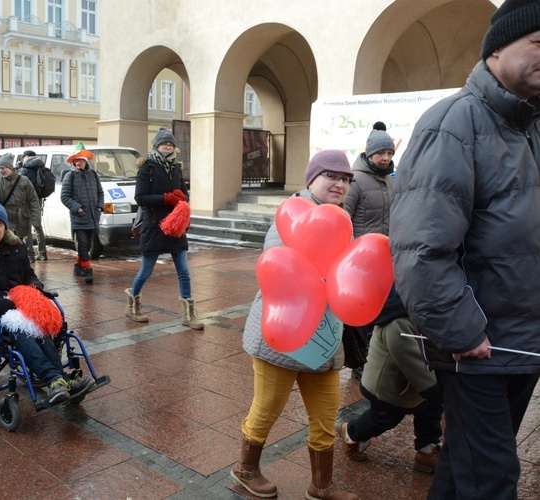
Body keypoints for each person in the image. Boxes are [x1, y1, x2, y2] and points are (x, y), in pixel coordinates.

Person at [389, 2, 540, 497]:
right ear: (498, 47)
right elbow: (420, 249)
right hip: (478, 347)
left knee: (463, 468)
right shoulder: (454, 122)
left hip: (521, 342)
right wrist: (461, 330)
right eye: (539, 42)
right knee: (493, 479)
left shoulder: (530, 127)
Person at [231, 150, 358, 500]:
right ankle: (246, 468)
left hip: (325, 337)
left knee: (326, 413)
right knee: (267, 408)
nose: (340, 183)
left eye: (346, 179)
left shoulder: (343, 221)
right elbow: (275, 268)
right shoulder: (291, 215)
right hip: (282, 337)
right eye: (332, 175)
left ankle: (321, 486)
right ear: (312, 179)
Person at [0, 197, 95, 404]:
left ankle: (60, 380)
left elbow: (28, 275)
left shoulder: (16, 247)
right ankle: (54, 379)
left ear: (5, 226)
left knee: (41, 324)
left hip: (18, 304)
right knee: (21, 329)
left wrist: (34, 288)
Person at [336, 289, 443, 473]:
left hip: (414, 382)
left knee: (431, 410)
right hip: (388, 385)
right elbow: (409, 357)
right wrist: (434, 388)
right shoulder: (398, 320)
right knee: (384, 418)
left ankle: (427, 450)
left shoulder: (428, 312)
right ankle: (352, 431)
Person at [124, 129, 203, 329]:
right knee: (146, 270)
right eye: (164, 144)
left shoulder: (175, 168)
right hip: (154, 226)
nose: (168, 146)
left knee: (184, 271)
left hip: (175, 226)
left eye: (170, 144)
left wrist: (181, 198)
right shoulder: (147, 168)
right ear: (157, 146)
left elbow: (184, 193)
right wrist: (166, 198)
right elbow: (140, 198)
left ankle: (188, 314)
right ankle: (133, 306)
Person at [342, 121, 397, 378]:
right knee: (361, 312)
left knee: (380, 308)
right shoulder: (357, 180)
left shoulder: (389, 181)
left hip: (384, 258)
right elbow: (343, 218)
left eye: (389, 153)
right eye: (381, 153)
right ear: (369, 154)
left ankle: (376, 355)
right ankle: (359, 361)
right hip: (360, 260)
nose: (385, 158)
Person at [0, 153, 43, 264]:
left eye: (3, 168)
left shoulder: (24, 181)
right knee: (8, 246)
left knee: (24, 247)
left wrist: (36, 220)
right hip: (5, 220)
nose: (1, 171)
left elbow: (33, 200)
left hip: (22, 218)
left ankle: (26, 265)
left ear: (10, 167)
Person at [60, 145, 103, 284]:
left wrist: (99, 208)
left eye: (81, 160)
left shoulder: (93, 175)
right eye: (76, 160)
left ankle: (78, 266)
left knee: (87, 245)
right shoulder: (70, 176)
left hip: (92, 217)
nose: (78, 163)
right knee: (83, 245)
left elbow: (100, 193)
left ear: (85, 161)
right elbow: (65, 197)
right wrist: (77, 208)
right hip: (79, 218)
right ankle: (87, 270)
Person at [20, 152, 49, 262]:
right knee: (37, 226)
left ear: (27, 158)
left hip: (27, 201)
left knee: (26, 226)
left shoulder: (24, 170)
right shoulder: (41, 168)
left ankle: (29, 255)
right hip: (39, 200)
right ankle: (42, 252)